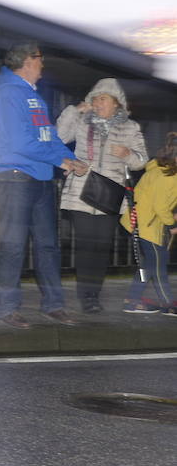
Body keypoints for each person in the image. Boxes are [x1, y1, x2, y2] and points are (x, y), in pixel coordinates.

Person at [0, 41, 87, 329]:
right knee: (13, 247)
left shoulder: (34, 96)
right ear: (27, 61)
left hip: (41, 177)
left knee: (48, 247)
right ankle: (8, 308)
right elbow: (20, 143)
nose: (43, 65)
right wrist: (61, 163)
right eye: (40, 59)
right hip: (16, 177)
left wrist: (70, 158)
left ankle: (54, 305)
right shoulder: (9, 94)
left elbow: (49, 136)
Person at [56, 78, 147, 313]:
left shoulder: (130, 127)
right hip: (80, 194)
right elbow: (59, 136)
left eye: (103, 99)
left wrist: (127, 153)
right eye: (95, 99)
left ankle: (94, 293)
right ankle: (87, 297)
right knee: (87, 245)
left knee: (102, 247)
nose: (98, 103)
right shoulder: (83, 122)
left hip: (109, 197)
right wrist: (75, 110)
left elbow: (141, 162)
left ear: (116, 103)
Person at [120, 132, 177, 316]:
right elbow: (160, 205)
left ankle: (132, 300)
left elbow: (163, 202)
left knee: (148, 266)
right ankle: (167, 303)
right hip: (147, 226)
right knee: (159, 264)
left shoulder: (164, 170)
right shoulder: (168, 176)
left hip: (145, 223)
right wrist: (171, 225)